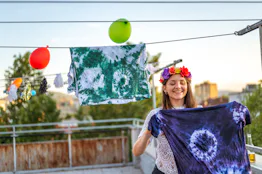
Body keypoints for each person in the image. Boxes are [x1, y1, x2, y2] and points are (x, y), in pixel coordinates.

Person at [132, 65, 199, 174]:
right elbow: (136, 152)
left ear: (187, 86)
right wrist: (148, 133)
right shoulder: (156, 115)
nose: (178, 86)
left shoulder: (199, 112)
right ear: (164, 88)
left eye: (182, 82)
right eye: (172, 83)